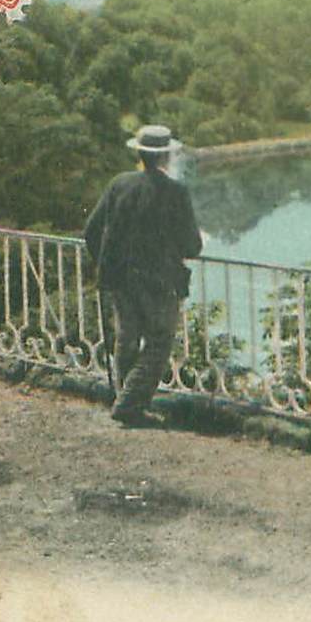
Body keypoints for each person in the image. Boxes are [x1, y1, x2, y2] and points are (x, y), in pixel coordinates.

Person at [83, 124, 202, 427]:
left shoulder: (119, 184)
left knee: (127, 339)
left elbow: (91, 231)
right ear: (166, 157)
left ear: (138, 154)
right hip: (159, 282)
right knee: (160, 341)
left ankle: (128, 402)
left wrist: (106, 263)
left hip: (120, 278)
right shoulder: (175, 192)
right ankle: (128, 404)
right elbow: (193, 245)